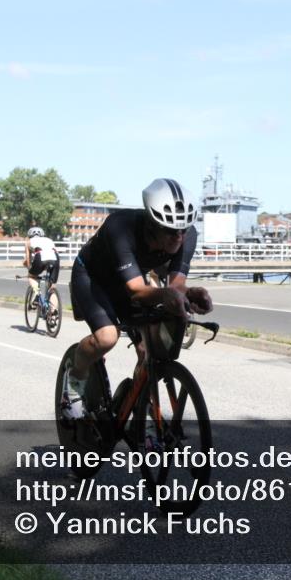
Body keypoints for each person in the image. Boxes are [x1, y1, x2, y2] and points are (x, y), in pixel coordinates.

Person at [65, 178, 212, 419]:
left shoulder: (186, 235)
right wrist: (167, 294)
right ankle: (74, 383)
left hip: (130, 282)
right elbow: (135, 290)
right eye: (170, 230)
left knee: (149, 349)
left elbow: (175, 285)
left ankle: (141, 409)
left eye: (183, 230)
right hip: (93, 278)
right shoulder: (120, 227)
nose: (178, 237)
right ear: (152, 224)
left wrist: (190, 292)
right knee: (107, 337)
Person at [23, 226, 60, 305]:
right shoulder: (49, 240)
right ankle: (54, 312)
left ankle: (36, 294)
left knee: (31, 277)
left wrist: (29, 269)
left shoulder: (29, 242)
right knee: (52, 287)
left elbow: (28, 259)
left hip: (40, 256)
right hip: (55, 259)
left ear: (29, 236)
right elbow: (51, 254)